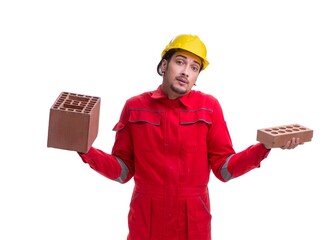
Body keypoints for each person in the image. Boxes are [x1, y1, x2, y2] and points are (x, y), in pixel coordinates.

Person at [77, 34, 302, 240]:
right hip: (146, 220)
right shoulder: (135, 107)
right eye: (180, 62)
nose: (186, 71)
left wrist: (263, 148)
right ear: (164, 65)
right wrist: (85, 149)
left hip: (192, 221)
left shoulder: (209, 107)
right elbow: (122, 170)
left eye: (194, 67)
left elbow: (224, 168)